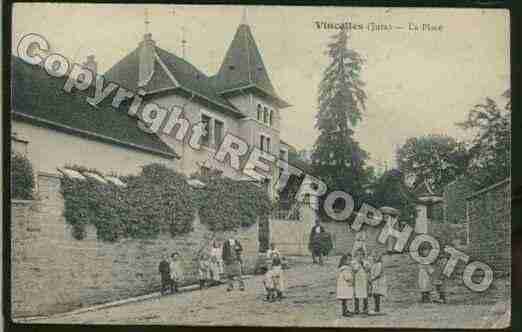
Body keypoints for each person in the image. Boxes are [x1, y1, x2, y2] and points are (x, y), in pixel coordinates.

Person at [352, 248, 371, 315]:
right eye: (358, 255)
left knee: (365, 295)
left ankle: (365, 309)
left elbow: (368, 270)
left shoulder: (366, 262)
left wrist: (363, 265)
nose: (360, 256)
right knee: (356, 295)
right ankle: (356, 309)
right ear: (356, 255)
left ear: (363, 255)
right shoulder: (353, 262)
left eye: (361, 255)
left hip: (364, 280)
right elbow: (354, 270)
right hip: (357, 281)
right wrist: (358, 265)